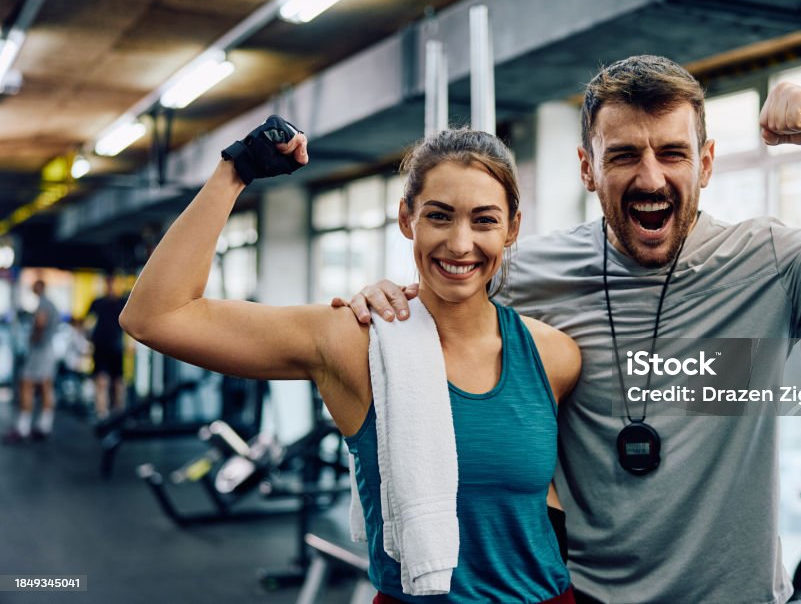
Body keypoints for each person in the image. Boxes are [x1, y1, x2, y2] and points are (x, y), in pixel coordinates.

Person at [342, 55, 801, 603]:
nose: (650, 178)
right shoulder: (525, 273)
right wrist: (394, 301)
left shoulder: (772, 263)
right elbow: (445, 296)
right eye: (623, 155)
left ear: (705, 163)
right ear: (588, 168)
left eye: (672, 152)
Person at [119, 117, 581, 603]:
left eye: (484, 219)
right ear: (407, 219)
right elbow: (156, 316)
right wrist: (235, 171)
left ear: (512, 228)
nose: (460, 243)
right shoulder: (354, 340)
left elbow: (544, 503)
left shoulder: (554, 356)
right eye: (439, 216)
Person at [4, 279, 62, 443]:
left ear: (40, 287)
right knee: (45, 386)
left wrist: (32, 339)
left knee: (26, 384)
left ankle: (23, 428)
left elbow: (40, 322)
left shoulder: (44, 304)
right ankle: (44, 425)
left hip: (40, 350)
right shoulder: (50, 304)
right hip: (47, 349)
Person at [86, 274, 128, 419]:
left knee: (118, 381)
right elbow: (88, 322)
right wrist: (88, 337)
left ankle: (119, 412)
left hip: (116, 346)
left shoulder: (122, 302)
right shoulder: (98, 302)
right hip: (101, 346)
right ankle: (102, 413)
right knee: (101, 380)